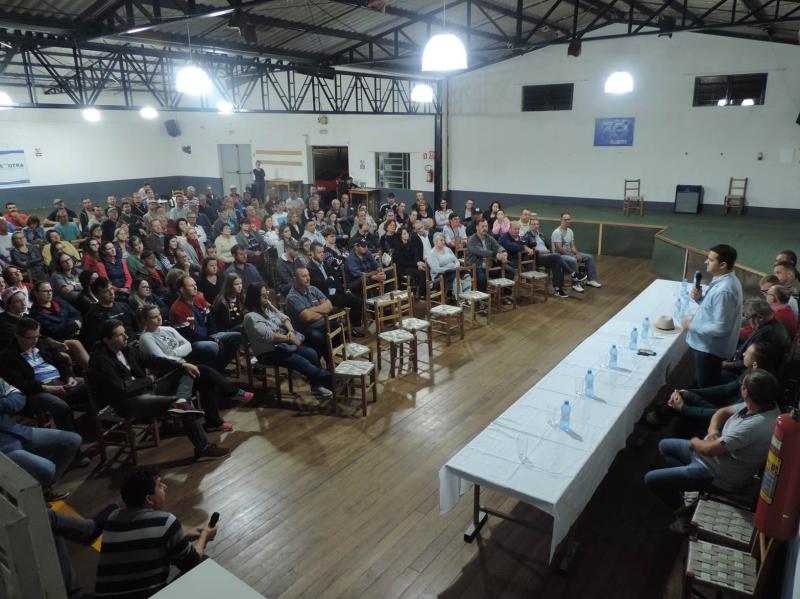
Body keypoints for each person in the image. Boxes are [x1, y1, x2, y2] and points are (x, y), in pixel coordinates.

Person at [644, 369, 780, 532]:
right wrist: (713, 431)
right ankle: (686, 486)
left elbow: (708, 450)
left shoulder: (756, 425)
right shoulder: (760, 404)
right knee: (664, 446)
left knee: (651, 479)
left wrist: (695, 442)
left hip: (719, 474)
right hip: (713, 457)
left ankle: (683, 513)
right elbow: (722, 412)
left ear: (745, 391)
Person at [89, 320, 230, 463]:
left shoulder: (125, 349)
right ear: (107, 340)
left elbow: (152, 360)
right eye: (120, 335)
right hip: (126, 401)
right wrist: (148, 380)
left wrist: (181, 364)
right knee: (182, 407)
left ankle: (188, 400)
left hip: (145, 390)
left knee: (189, 371)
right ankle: (203, 448)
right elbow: (121, 387)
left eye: (124, 333)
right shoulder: (101, 360)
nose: (126, 337)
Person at [138, 305, 252, 431]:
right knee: (202, 369)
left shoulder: (168, 329)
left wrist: (174, 353)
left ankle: (214, 423)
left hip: (183, 370)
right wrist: (179, 351)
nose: (159, 318)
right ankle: (232, 393)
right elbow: (163, 360)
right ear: (145, 321)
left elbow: (188, 346)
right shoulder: (146, 337)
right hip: (166, 377)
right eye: (154, 317)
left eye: (159, 314)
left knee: (205, 380)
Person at [0, 318, 89, 467]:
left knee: (93, 383)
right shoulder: (8, 356)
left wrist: (69, 377)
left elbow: (61, 362)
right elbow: (20, 384)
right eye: (30, 338)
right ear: (18, 336)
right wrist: (46, 388)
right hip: (36, 392)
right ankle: (75, 454)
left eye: (37, 336)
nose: (34, 341)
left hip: (60, 382)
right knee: (61, 407)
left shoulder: (42, 344)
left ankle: (97, 425)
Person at [243, 283, 333, 397]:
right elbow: (269, 335)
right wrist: (289, 338)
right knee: (301, 361)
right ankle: (329, 378)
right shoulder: (250, 317)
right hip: (268, 352)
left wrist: (291, 331)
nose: (266, 297)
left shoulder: (267, 307)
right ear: (254, 298)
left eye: (266, 293)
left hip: (284, 345)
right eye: (263, 295)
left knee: (311, 353)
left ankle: (317, 385)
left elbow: (283, 317)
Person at [0, 375, 80, 501]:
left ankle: (41, 490)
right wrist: (7, 403)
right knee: (47, 468)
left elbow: (18, 396)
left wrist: (5, 404)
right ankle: (30, 497)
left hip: (16, 430)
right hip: (3, 446)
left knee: (72, 440)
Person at [685, 244, 744, 388]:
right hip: (708, 349)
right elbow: (715, 311)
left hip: (709, 351)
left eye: (710, 260)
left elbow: (720, 328)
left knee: (704, 386)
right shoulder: (725, 280)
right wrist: (700, 300)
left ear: (723, 264)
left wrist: (691, 325)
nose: (706, 262)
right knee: (699, 382)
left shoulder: (725, 290)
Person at [169, 276, 240, 370]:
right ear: (182, 290)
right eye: (191, 286)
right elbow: (189, 336)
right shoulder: (177, 309)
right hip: (192, 342)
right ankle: (212, 371)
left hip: (208, 336)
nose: (195, 287)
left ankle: (218, 368)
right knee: (213, 346)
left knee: (236, 336)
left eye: (195, 284)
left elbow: (211, 321)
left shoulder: (199, 299)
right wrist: (211, 340)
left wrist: (214, 336)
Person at [720, 298, 791, 381]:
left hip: (747, 375)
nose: (747, 321)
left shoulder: (767, 333)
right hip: (751, 367)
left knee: (711, 371)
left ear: (760, 317)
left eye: (747, 317)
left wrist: (726, 365)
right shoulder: (774, 324)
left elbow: (749, 362)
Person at [307, 241, 364, 334]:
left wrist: (335, 285)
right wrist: (329, 281)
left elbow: (336, 279)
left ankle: (354, 327)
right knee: (354, 300)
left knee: (357, 300)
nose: (322, 254)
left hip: (335, 293)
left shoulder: (325, 263)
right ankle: (348, 330)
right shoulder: (310, 268)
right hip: (324, 298)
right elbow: (320, 285)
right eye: (319, 252)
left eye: (322, 252)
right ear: (312, 253)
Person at [285, 266, 334, 359]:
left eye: (308, 275)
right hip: (304, 329)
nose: (308, 278)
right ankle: (329, 361)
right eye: (304, 276)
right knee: (317, 336)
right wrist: (322, 310)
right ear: (295, 279)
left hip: (322, 323)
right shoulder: (292, 297)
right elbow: (307, 317)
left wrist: (311, 309)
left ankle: (329, 357)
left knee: (340, 325)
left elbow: (329, 306)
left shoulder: (313, 289)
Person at [80, 277, 139, 348]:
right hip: (116, 348)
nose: (111, 293)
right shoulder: (92, 316)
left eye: (111, 289)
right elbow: (97, 342)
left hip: (136, 341)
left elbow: (137, 327)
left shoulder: (124, 306)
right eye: (105, 291)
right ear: (96, 296)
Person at [552, 213, 601, 288]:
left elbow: (572, 246)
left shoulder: (570, 231)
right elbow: (559, 248)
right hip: (559, 255)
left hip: (569, 253)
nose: (568, 221)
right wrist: (572, 255)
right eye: (565, 220)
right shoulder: (557, 232)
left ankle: (591, 280)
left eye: (569, 219)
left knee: (589, 257)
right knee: (573, 260)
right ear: (561, 220)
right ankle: (576, 284)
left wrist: (577, 254)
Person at [525, 218, 571, 298]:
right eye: (533, 224)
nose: (536, 226)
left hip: (547, 256)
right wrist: (541, 252)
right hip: (536, 258)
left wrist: (549, 250)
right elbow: (526, 250)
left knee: (555, 264)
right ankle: (573, 273)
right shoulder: (527, 236)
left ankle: (558, 289)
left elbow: (549, 245)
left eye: (537, 224)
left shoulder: (541, 235)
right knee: (557, 256)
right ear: (530, 226)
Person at [467, 219, 508, 292]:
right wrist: (496, 254)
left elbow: (497, 246)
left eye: (486, 226)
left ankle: (503, 294)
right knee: (482, 278)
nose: (485, 228)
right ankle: (481, 299)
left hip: (490, 264)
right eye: (482, 226)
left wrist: (503, 252)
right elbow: (481, 252)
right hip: (476, 266)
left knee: (509, 271)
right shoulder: (472, 240)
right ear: (477, 227)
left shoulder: (489, 237)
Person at [395, 227, 428, 297]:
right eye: (404, 234)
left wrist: (418, 264)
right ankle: (421, 294)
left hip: (412, 266)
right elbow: (402, 262)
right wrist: (416, 264)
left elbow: (415, 256)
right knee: (422, 273)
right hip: (403, 268)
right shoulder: (398, 247)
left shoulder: (410, 243)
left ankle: (425, 291)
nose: (407, 235)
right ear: (400, 236)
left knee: (426, 268)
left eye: (407, 233)